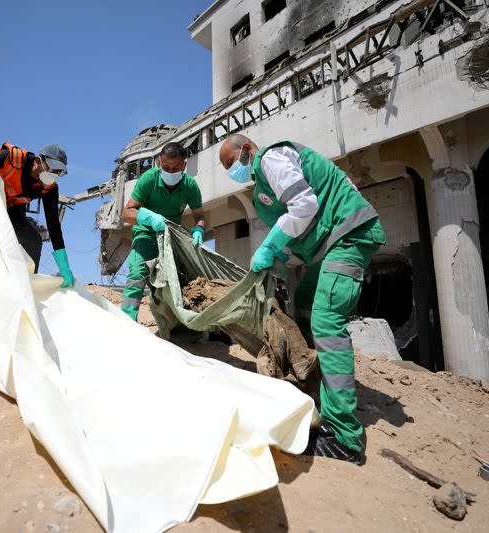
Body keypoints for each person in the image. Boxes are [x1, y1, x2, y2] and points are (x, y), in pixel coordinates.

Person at [218, 133, 385, 464]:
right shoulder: (264, 182)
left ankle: (344, 437)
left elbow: (304, 205)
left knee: (326, 319)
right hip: (331, 243)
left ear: (247, 150)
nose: (230, 171)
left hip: (349, 235)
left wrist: (268, 245)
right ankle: (316, 382)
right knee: (305, 298)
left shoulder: (271, 159)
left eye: (230, 163)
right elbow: (298, 222)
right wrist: (279, 253)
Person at [0, 143, 75, 288]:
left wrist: (63, 265)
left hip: (11, 206)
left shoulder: (49, 187)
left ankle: (27, 286)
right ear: (39, 161)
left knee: (33, 240)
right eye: (52, 169)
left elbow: (53, 225)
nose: (54, 175)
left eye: (59, 172)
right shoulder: (13, 157)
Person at [120, 142, 205, 320]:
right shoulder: (148, 179)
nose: (171, 172)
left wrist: (199, 229)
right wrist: (149, 218)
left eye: (176, 168)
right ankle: (127, 321)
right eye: (166, 167)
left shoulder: (190, 186)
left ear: (185, 165)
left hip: (171, 238)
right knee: (137, 274)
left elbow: (200, 216)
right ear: (159, 163)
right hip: (146, 234)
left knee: (169, 283)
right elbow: (126, 213)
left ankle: (172, 328)